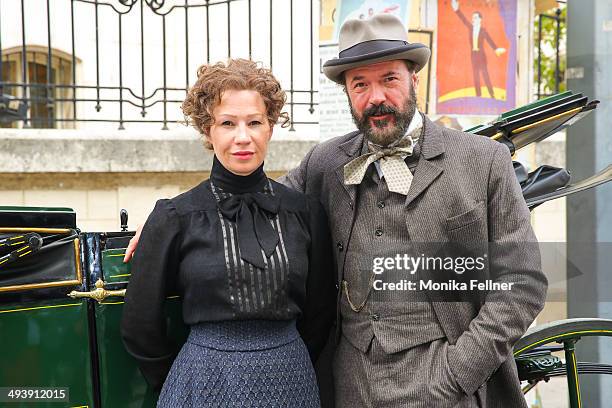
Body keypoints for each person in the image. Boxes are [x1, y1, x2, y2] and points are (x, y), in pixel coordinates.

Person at [125, 15, 547, 408]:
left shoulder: (483, 161)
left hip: (448, 384)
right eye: (360, 84)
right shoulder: (324, 163)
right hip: (350, 387)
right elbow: (248, 196)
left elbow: (522, 283)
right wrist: (165, 217)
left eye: (389, 79)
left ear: (414, 78)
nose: (376, 96)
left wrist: (457, 373)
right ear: (347, 91)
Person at [120, 58, 336, 407]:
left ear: (270, 127)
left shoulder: (306, 212)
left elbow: (321, 313)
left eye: (254, 122)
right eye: (227, 123)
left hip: (290, 380)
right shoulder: (174, 217)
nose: (242, 137)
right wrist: (178, 384)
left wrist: (289, 362)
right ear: (208, 130)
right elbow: (139, 324)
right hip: (202, 381)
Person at [452, 0, 507, 99]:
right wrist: (457, 10)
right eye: (472, 18)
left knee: (485, 75)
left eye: (475, 17)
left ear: (480, 19)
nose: (473, 19)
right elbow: (463, 19)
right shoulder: (471, 28)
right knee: (476, 75)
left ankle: (492, 94)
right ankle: (478, 95)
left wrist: (496, 49)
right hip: (473, 55)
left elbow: (490, 41)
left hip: (481, 56)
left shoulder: (483, 31)